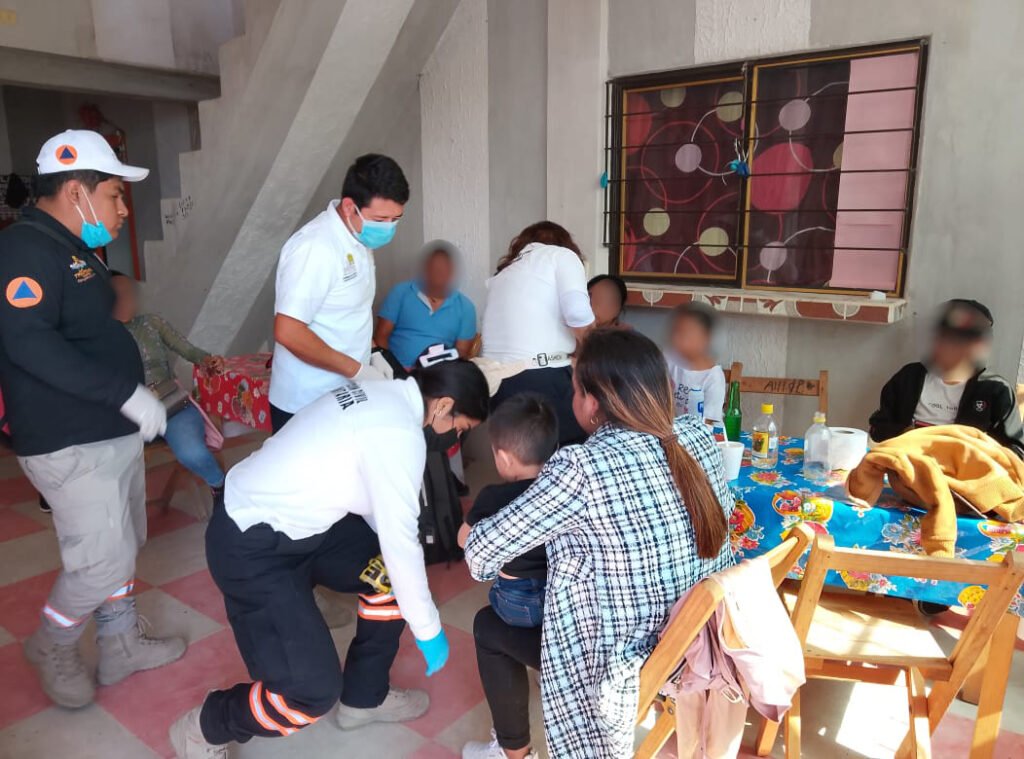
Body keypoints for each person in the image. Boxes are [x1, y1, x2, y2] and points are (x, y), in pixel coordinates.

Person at [169, 359, 490, 758]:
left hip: (303, 529)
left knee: (387, 575)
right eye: (460, 428)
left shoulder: (384, 394)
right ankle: (205, 726)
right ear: (443, 405)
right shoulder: (399, 433)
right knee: (309, 693)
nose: (455, 438)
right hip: (250, 547)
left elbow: (381, 514)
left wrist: (406, 590)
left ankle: (365, 697)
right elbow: (401, 541)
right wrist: (428, 629)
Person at [462, 329, 734, 759]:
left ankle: (513, 754)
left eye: (574, 389)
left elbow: (480, 557)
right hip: (695, 640)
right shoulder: (696, 436)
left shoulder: (581, 466)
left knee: (487, 626)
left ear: (591, 403)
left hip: (628, 661)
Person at [0, 129, 183, 710]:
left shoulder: (74, 247)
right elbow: (29, 343)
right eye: (115, 195)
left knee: (125, 545)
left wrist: (130, 398)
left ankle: (120, 642)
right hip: (69, 438)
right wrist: (123, 392)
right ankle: (52, 644)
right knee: (99, 562)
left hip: (110, 428)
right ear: (76, 191)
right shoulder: (24, 249)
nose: (123, 209)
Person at [268, 153, 409, 433]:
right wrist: (356, 370)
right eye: (381, 219)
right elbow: (288, 330)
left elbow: (350, 311)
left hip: (345, 393)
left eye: (396, 219)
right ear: (349, 207)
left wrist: (373, 352)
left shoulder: (358, 238)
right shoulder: (315, 248)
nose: (388, 228)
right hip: (307, 401)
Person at [110, 271, 227, 496]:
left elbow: (188, 350)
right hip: (125, 414)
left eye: (128, 292)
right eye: (117, 293)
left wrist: (208, 360)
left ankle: (221, 490)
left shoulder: (151, 323)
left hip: (170, 404)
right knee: (110, 466)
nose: (125, 298)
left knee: (192, 452)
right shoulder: (99, 335)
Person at [480, 221, 596, 445]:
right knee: (571, 449)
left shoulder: (502, 275)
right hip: (542, 379)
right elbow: (578, 314)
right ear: (565, 244)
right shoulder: (562, 256)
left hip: (498, 384)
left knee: (521, 457)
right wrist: (596, 351)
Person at [869, 299, 1024, 456]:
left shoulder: (995, 389)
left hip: (965, 468)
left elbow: (1017, 451)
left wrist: (975, 450)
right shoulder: (910, 377)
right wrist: (907, 434)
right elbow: (878, 428)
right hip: (907, 461)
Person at [458, 394, 558, 629]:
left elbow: (464, 540)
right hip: (560, 595)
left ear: (503, 458)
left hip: (516, 602)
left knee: (495, 591)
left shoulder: (493, 496)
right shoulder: (562, 489)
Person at [375, 240, 478, 368]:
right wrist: (393, 368)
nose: (439, 274)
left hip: (438, 375)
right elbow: (381, 336)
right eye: (435, 269)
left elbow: (461, 352)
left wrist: (436, 373)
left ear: (452, 273)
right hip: (395, 371)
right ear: (425, 270)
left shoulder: (466, 307)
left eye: (444, 270)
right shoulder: (401, 293)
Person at [664, 302, 726, 425]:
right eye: (676, 332)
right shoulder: (668, 359)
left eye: (686, 333)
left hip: (703, 432)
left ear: (705, 338)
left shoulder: (713, 376)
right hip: (671, 429)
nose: (677, 339)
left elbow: (708, 422)